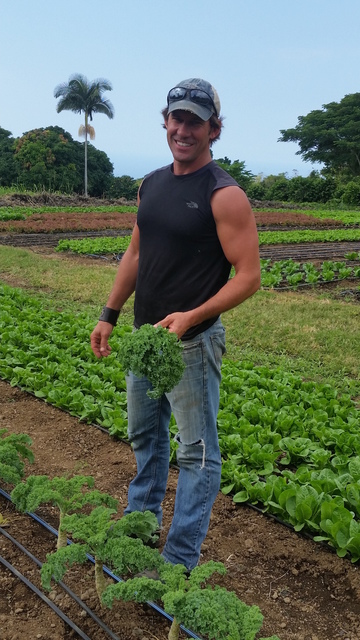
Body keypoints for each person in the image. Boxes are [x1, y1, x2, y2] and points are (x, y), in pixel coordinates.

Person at [90, 78, 261, 571]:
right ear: (165, 121)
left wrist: (192, 315)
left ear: (214, 129)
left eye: (195, 121)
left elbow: (249, 277)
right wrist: (110, 314)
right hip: (145, 341)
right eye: (177, 118)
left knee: (197, 453)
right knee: (146, 437)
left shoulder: (225, 195)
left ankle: (179, 558)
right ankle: (140, 526)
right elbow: (136, 253)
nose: (183, 129)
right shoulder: (152, 183)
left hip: (191, 345)